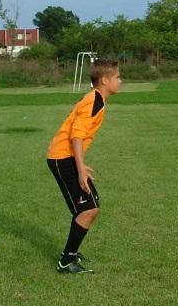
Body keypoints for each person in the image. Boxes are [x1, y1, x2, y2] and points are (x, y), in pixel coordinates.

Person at [46, 58, 122, 274]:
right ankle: (66, 261)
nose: (121, 81)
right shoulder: (94, 101)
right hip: (62, 157)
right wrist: (80, 169)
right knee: (88, 209)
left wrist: (81, 165)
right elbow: (76, 137)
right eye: (118, 77)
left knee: (89, 208)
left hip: (65, 157)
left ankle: (70, 255)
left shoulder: (96, 99)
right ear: (105, 80)